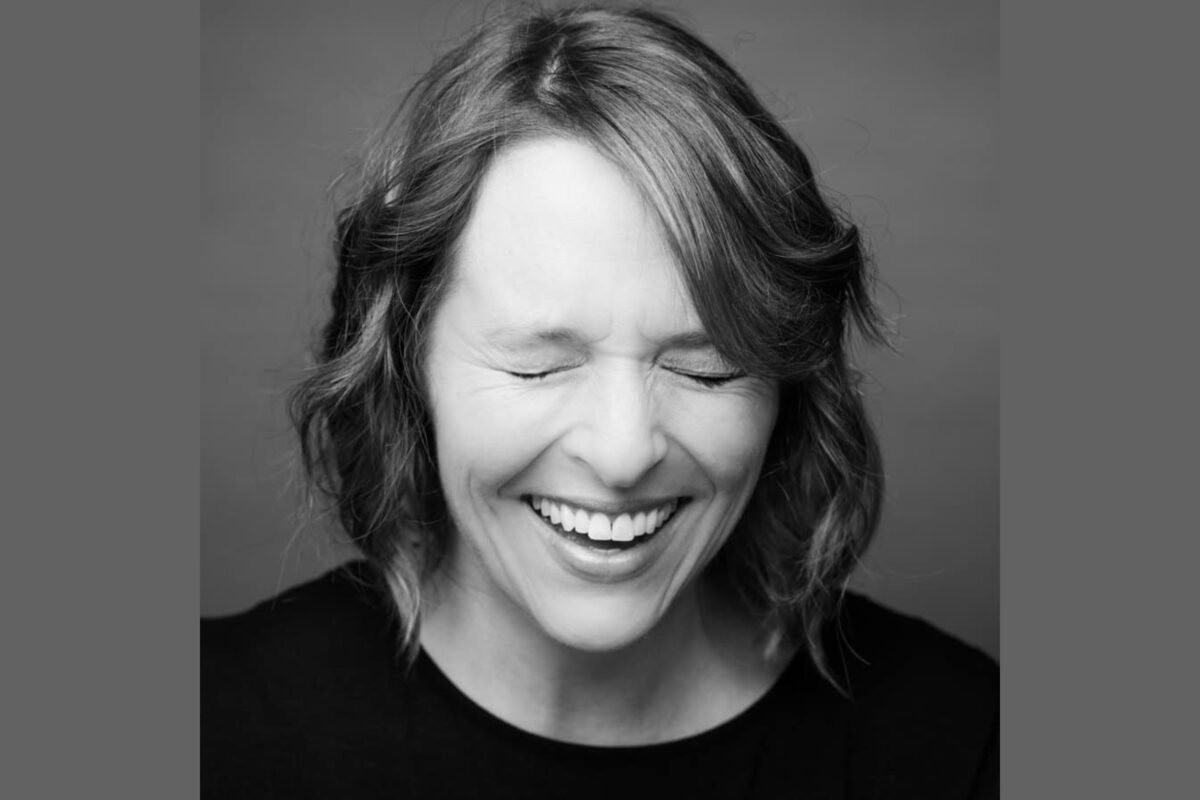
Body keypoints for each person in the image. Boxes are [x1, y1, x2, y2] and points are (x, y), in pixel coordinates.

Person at [202, 4, 998, 798]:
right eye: (537, 367)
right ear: (407, 367)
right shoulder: (209, 734)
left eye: (707, 370)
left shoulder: (964, 743)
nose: (623, 455)